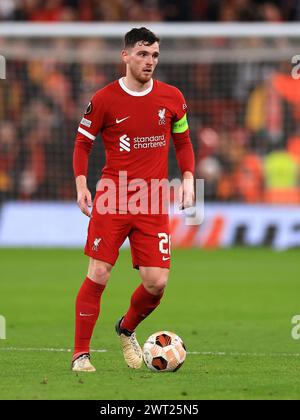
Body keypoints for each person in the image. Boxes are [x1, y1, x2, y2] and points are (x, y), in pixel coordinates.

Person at [71, 27, 195, 372]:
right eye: (142, 54)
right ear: (125, 56)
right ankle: (81, 354)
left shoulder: (172, 98)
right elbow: (83, 144)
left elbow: (183, 143)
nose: (150, 61)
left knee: (157, 283)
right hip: (113, 196)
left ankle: (126, 328)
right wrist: (82, 184)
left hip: (153, 200)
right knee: (99, 272)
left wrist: (187, 179)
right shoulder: (104, 100)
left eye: (155, 54)